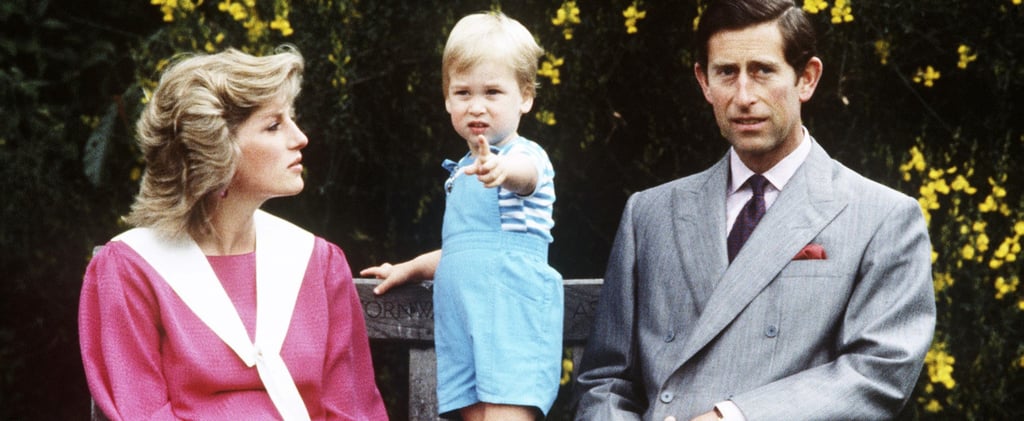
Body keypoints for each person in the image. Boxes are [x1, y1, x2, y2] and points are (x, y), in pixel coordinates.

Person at [573, 1, 936, 420]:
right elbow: (605, 380)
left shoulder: (882, 217)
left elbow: (878, 372)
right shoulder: (650, 213)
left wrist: (732, 417)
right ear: (703, 82)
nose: (744, 96)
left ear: (807, 78)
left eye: (763, 70)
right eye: (726, 72)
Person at [78, 46, 388, 421]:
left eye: (291, 119)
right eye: (274, 125)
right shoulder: (132, 268)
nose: (300, 137)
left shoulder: (317, 262)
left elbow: (354, 412)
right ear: (217, 151)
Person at [360, 11, 562, 421]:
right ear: (447, 98)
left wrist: (502, 172)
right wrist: (411, 268)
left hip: (511, 319)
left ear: (525, 96)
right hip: (464, 324)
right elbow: (466, 249)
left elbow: (527, 179)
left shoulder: (523, 156)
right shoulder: (459, 173)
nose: (477, 106)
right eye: (464, 92)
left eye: (492, 92)